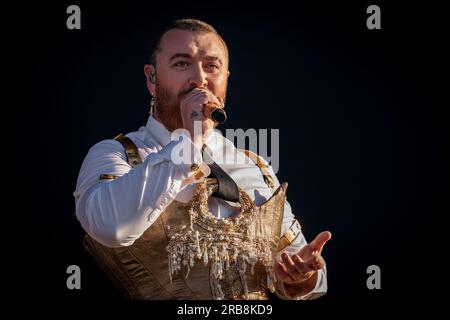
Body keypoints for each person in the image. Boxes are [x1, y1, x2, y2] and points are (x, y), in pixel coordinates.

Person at [74, 18, 331, 300]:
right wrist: (189, 140)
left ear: (226, 79)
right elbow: (112, 229)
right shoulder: (116, 154)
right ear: (151, 78)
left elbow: (310, 278)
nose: (200, 78)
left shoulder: (255, 166)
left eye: (211, 66)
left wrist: (301, 276)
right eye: (182, 63)